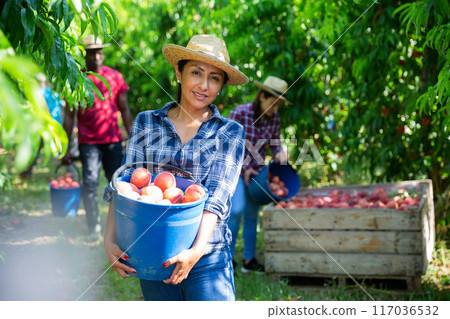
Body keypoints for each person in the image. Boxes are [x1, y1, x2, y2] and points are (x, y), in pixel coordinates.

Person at [103, 34, 248, 301]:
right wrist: (109, 239)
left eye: (214, 78)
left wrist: (195, 252)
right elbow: (125, 184)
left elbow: (216, 197)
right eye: (196, 72)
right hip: (154, 252)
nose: (204, 85)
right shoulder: (148, 123)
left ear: (221, 85)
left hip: (208, 256)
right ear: (179, 73)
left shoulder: (230, 132)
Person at [62, 35, 133, 239]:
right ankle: (93, 227)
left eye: (99, 52)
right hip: (89, 142)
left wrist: (133, 138)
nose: (96, 57)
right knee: (90, 183)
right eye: (91, 53)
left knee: (118, 184)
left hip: (112, 140)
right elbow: (69, 115)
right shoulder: (76, 79)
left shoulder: (115, 77)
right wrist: (67, 147)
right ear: (85, 56)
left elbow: (125, 109)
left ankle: (120, 228)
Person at [227, 75, 290, 274]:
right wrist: (245, 168)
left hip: (257, 173)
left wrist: (280, 154)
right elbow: (228, 147)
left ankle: (249, 260)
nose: (275, 110)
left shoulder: (274, 119)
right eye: (273, 104)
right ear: (262, 96)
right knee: (236, 210)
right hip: (236, 170)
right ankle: (226, 258)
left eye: (279, 106)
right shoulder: (239, 114)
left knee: (252, 214)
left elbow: (275, 144)